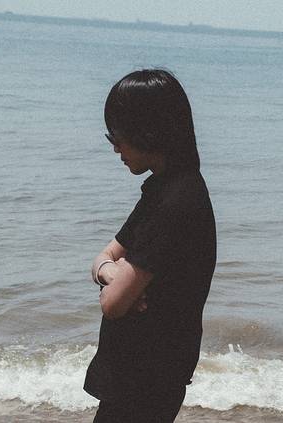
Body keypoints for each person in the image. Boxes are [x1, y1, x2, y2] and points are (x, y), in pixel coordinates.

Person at [84, 69, 217, 422]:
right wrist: (113, 273)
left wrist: (114, 284)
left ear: (148, 131)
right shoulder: (163, 189)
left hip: (148, 376)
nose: (115, 147)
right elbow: (103, 258)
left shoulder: (176, 202)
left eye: (118, 136)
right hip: (143, 373)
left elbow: (112, 305)